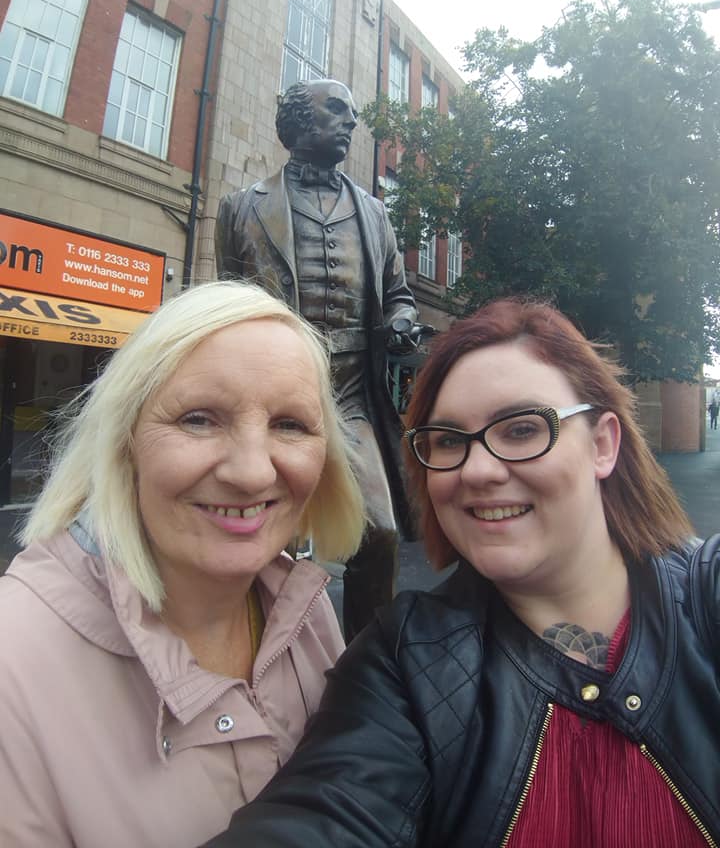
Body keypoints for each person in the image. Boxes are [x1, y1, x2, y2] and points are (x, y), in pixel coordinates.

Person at [202, 297, 720, 848]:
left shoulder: (707, 594)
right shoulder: (405, 663)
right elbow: (327, 812)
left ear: (602, 444)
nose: (478, 470)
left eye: (521, 430)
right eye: (449, 441)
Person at [0, 280, 364, 848]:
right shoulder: (13, 665)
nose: (252, 472)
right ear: (124, 441)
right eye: (198, 419)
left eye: (289, 424)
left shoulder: (305, 609)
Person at [215, 78, 421, 639]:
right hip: (273, 396)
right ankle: (259, 649)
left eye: (352, 112)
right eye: (337, 109)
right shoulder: (241, 208)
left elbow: (398, 295)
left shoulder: (374, 213)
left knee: (379, 534)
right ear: (301, 120)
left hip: (351, 394)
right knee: (263, 536)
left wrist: (401, 321)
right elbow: (223, 307)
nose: (351, 121)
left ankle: (368, 663)